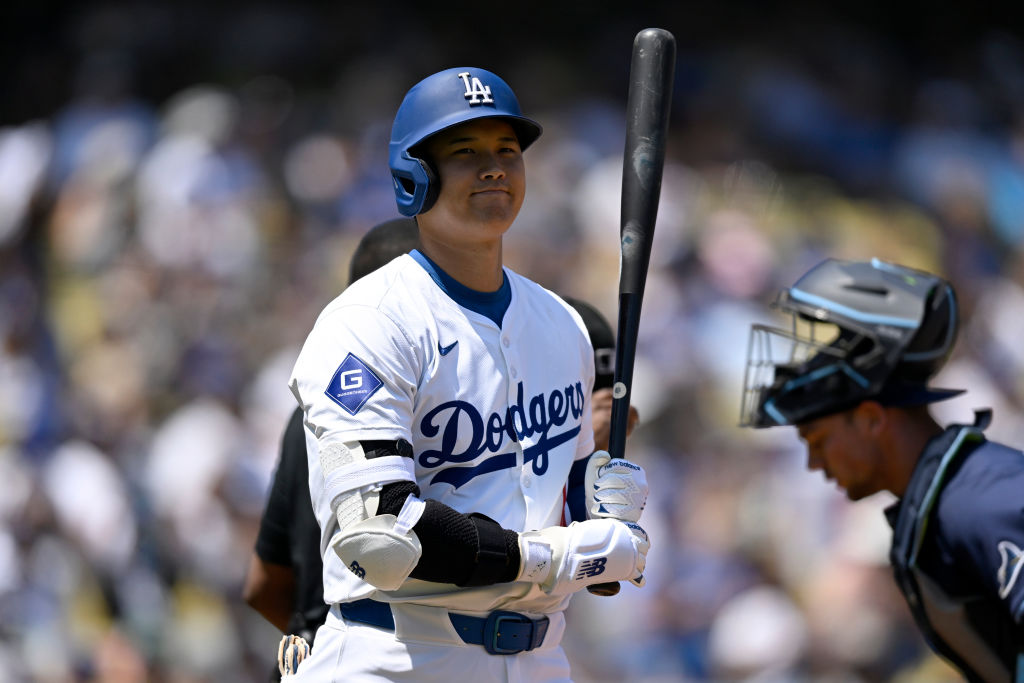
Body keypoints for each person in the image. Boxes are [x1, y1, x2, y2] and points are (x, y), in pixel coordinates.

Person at [283, 67, 650, 681]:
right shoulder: (370, 322)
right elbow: (381, 535)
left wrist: (602, 510)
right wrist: (554, 556)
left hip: (540, 659)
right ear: (414, 176)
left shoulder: (563, 324)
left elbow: (574, 518)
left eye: (508, 150)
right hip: (396, 657)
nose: (494, 168)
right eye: (465, 152)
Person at [243, 225, 640, 680]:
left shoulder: (493, 378)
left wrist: (595, 506)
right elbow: (387, 538)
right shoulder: (332, 405)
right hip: (376, 649)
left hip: (510, 652)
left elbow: (262, 583)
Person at [740, 257, 1024, 682]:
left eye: (818, 440)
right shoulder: (939, 504)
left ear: (872, 419)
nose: (814, 463)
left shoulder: (981, 499)